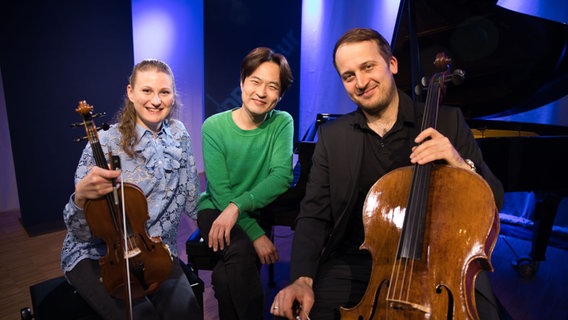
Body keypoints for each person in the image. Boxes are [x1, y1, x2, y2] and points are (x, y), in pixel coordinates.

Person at [271, 28, 506, 320]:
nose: (360, 82)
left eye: (368, 67)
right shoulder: (333, 137)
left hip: (442, 262)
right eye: (348, 75)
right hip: (357, 260)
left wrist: (459, 163)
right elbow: (313, 214)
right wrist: (302, 279)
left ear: (392, 64)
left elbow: (495, 201)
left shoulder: (447, 121)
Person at [61, 59, 203, 320]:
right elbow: (80, 233)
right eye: (146, 91)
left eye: (164, 92)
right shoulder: (105, 142)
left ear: (173, 96)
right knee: (142, 316)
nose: (156, 100)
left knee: (187, 312)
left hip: (155, 251)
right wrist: (80, 198)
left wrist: (231, 209)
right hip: (101, 255)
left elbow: (193, 197)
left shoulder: (179, 134)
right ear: (130, 92)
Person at [197, 47, 294, 320]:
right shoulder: (213, 127)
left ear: (280, 95)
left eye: (272, 86)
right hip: (214, 209)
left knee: (225, 278)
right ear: (242, 82)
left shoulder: (281, 123)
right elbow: (219, 190)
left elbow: (281, 177)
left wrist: (237, 209)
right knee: (240, 249)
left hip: (248, 210)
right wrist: (257, 235)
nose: (261, 92)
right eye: (255, 81)